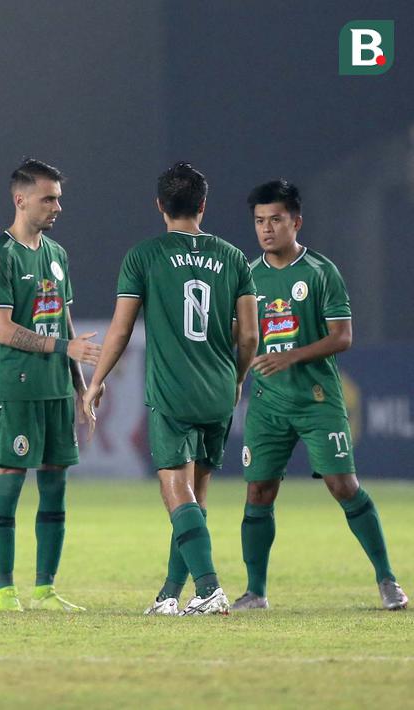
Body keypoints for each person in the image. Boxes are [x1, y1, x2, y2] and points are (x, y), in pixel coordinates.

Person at [84, 162, 258, 616]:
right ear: (203, 204)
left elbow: (121, 330)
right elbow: (251, 337)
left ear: (160, 205)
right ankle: (169, 595)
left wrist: (96, 381)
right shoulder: (234, 257)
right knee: (196, 497)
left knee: (174, 492)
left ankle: (209, 588)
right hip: (219, 389)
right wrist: (237, 378)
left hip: (173, 392)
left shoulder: (145, 256)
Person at [233, 180, 406, 611]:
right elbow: (236, 333)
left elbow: (342, 337)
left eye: (275, 219)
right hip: (268, 404)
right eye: (259, 221)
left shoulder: (320, 272)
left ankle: (387, 581)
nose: (266, 229)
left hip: (317, 399)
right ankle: (256, 592)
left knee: (343, 485)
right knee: (258, 492)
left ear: (296, 221)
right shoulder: (247, 277)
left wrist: (289, 355)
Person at [0, 159, 101, 613]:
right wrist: (64, 348)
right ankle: (5, 592)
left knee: (55, 486)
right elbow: (3, 331)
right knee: (10, 480)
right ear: (20, 199)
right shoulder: (0, 257)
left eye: (59, 198)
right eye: (48, 198)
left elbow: (63, 320)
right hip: (15, 387)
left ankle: (45, 589)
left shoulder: (57, 254)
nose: (57, 207)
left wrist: (83, 386)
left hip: (54, 390)